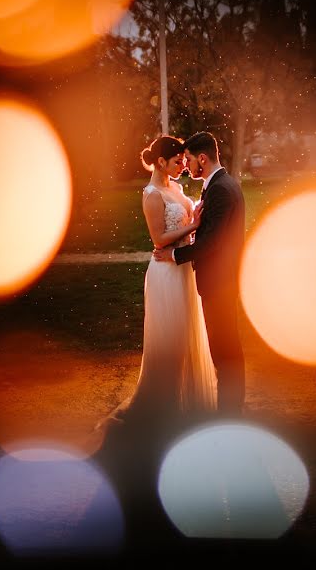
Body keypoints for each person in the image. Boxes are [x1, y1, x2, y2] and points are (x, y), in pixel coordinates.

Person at [99, 135, 217, 430]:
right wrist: (194, 225)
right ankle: (166, 404)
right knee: (170, 336)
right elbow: (158, 239)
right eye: (177, 162)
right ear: (161, 163)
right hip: (165, 272)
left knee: (187, 330)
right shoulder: (152, 194)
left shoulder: (175, 187)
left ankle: (189, 399)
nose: (182, 166)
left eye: (182, 161)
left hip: (184, 268)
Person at [152, 132, 246, 416]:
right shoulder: (217, 184)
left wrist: (175, 255)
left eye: (190, 159)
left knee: (225, 347)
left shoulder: (220, 189)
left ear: (202, 159)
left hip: (220, 281)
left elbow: (211, 243)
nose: (186, 165)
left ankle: (230, 411)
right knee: (225, 345)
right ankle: (230, 407)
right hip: (220, 279)